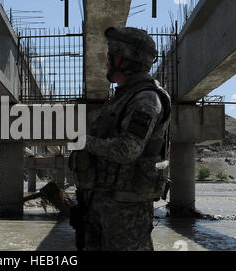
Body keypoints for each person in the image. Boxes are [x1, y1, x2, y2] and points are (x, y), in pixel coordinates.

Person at [69, 27, 171, 251]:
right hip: (101, 203)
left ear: (126, 60)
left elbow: (127, 150)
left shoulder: (146, 99)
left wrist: (84, 141)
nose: (106, 61)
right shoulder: (121, 97)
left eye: (110, 55)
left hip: (126, 209)